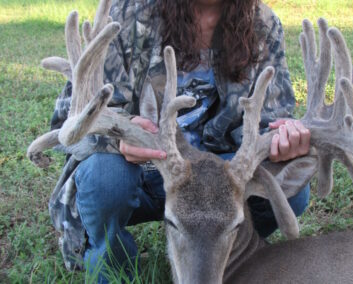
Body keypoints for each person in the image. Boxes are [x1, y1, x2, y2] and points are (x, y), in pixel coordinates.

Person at [48, 0, 311, 281]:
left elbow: (268, 120)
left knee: (287, 187)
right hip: (147, 170)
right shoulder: (130, 13)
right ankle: (112, 265)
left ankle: (219, 256)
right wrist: (120, 138)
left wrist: (285, 139)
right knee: (104, 177)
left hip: (220, 182)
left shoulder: (260, 24)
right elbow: (70, 120)